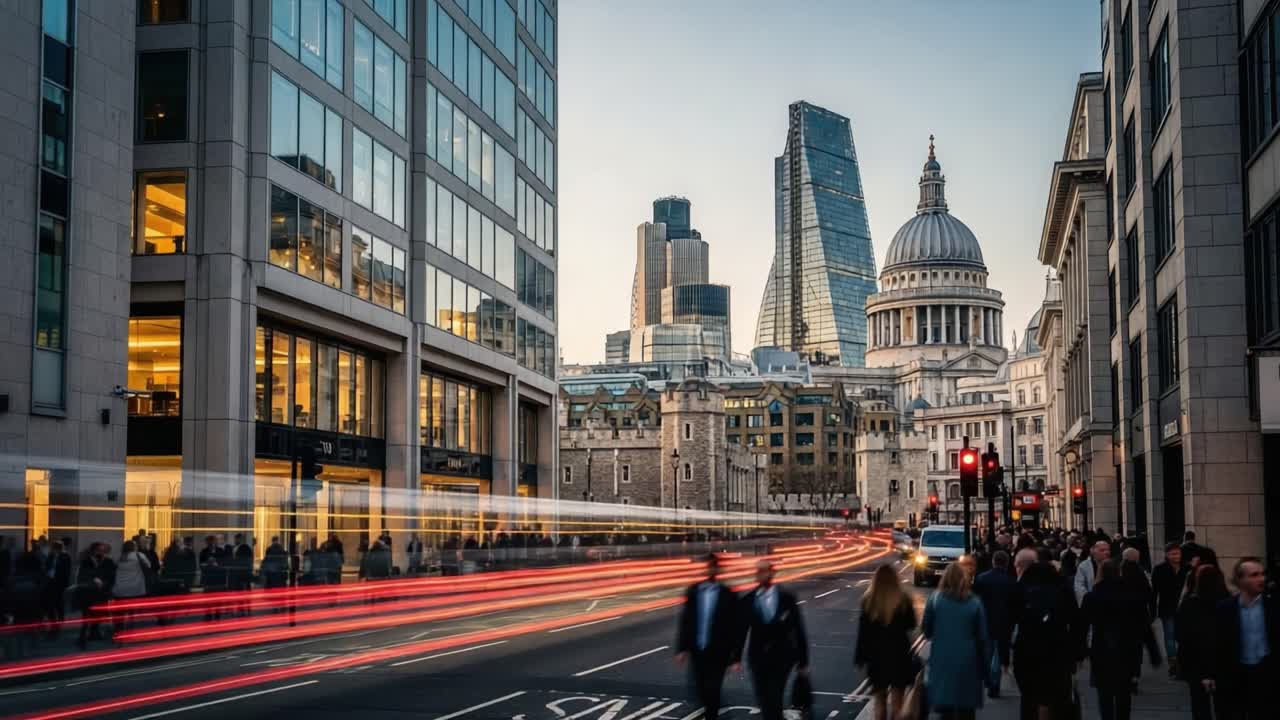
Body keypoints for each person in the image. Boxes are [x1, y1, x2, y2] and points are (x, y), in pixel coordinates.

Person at [1081, 560, 1162, 720]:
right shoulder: (1133, 597)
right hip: (1127, 650)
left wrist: (1078, 652)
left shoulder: (1092, 597)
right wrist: (1154, 653)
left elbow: (1081, 626)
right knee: (1124, 694)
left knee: (1104, 695)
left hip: (1102, 650)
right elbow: (1145, 627)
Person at [675, 555, 743, 719]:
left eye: (714, 567)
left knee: (713, 689)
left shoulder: (728, 594)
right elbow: (686, 620)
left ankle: (712, 714)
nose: (711, 570)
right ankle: (712, 708)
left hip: (718, 651)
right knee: (700, 689)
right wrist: (681, 648)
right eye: (709, 566)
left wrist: (736, 657)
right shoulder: (694, 591)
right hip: (697, 650)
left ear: (718, 570)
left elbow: (735, 627)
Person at [1210, 558, 1279, 720]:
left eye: (1262, 574)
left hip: (1266, 675)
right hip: (1235, 675)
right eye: (1254, 575)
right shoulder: (1225, 608)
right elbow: (1215, 644)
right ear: (1240, 580)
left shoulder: (1274, 606)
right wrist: (1210, 674)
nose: (1261, 579)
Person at [1012, 558, 1080, 720]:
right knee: (1056, 697)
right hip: (1057, 651)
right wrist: (1077, 652)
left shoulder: (1022, 590)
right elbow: (1076, 621)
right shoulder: (1062, 591)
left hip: (1027, 651)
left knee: (1029, 697)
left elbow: (1011, 619)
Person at [742, 560, 808, 720]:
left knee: (775, 696)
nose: (760, 574)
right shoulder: (748, 599)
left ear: (772, 573)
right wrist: (735, 658)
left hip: (782, 657)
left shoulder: (787, 598)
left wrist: (803, 661)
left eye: (764, 571)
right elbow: (740, 630)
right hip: (757, 658)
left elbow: (798, 629)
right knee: (764, 699)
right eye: (758, 571)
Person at [922, 562, 989, 720]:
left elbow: (926, 630)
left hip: (942, 660)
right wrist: (986, 671)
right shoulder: (975, 602)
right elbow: (982, 639)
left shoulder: (935, 599)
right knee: (967, 710)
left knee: (946, 711)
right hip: (969, 662)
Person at [854, 564, 917, 720]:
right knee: (897, 704)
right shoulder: (904, 599)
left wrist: (860, 657)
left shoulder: (868, 600)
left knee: (879, 703)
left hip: (877, 658)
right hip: (899, 656)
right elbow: (912, 624)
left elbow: (863, 633)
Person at [1176, 564, 1229, 720]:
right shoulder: (1228, 604)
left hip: (1195, 665)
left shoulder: (1189, 604)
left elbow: (1182, 637)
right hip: (1223, 666)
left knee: (1199, 708)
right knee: (1225, 709)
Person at [974, 550, 1017, 698]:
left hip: (986, 621)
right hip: (1004, 623)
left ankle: (989, 681)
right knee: (997, 656)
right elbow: (1014, 605)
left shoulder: (981, 578)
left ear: (993, 561)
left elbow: (976, 601)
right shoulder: (1011, 581)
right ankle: (994, 683)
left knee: (988, 652)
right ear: (1006, 563)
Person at [1152, 542, 1189, 678]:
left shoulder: (1187, 568)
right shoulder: (1159, 569)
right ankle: (1173, 664)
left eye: (1178, 553)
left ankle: (1183, 661)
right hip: (1167, 607)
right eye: (1173, 554)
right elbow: (1154, 592)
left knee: (1183, 636)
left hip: (1185, 608)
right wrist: (1152, 611)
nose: (1176, 556)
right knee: (1170, 635)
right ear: (1167, 555)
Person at [76, 542, 116, 647]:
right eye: (99, 550)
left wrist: (104, 583)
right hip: (88, 593)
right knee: (86, 616)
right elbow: (82, 576)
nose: (101, 552)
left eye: (103, 550)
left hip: (101, 593)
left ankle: (94, 633)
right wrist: (93, 579)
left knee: (98, 615)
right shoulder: (86, 561)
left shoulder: (108, 562)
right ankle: (83, 637)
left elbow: (112, 576)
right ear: (93, 551)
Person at [1073, 540, 1110, 606]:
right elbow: (1079, 586)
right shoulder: (1084, 566)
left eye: (1108, 550)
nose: (1107, 552)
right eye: (1102, 550)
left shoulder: (1113, 565)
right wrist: (1088, 601)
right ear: (1093, 552)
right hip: (1091, 600)